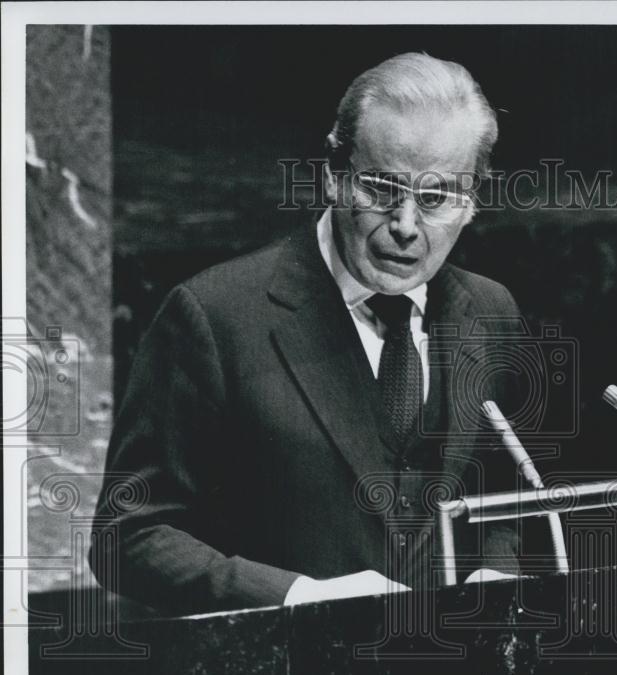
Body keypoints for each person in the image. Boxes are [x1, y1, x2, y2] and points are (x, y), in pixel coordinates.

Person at [90, 53, 525, 615]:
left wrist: (502, 572)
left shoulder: (491, 311)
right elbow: (126, 537)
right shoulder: (213, 315)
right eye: (381, 188)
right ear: (333, 175)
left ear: (471, 203)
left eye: (437, 198)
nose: (406, 226)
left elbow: (507, 504)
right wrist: (303, 599)